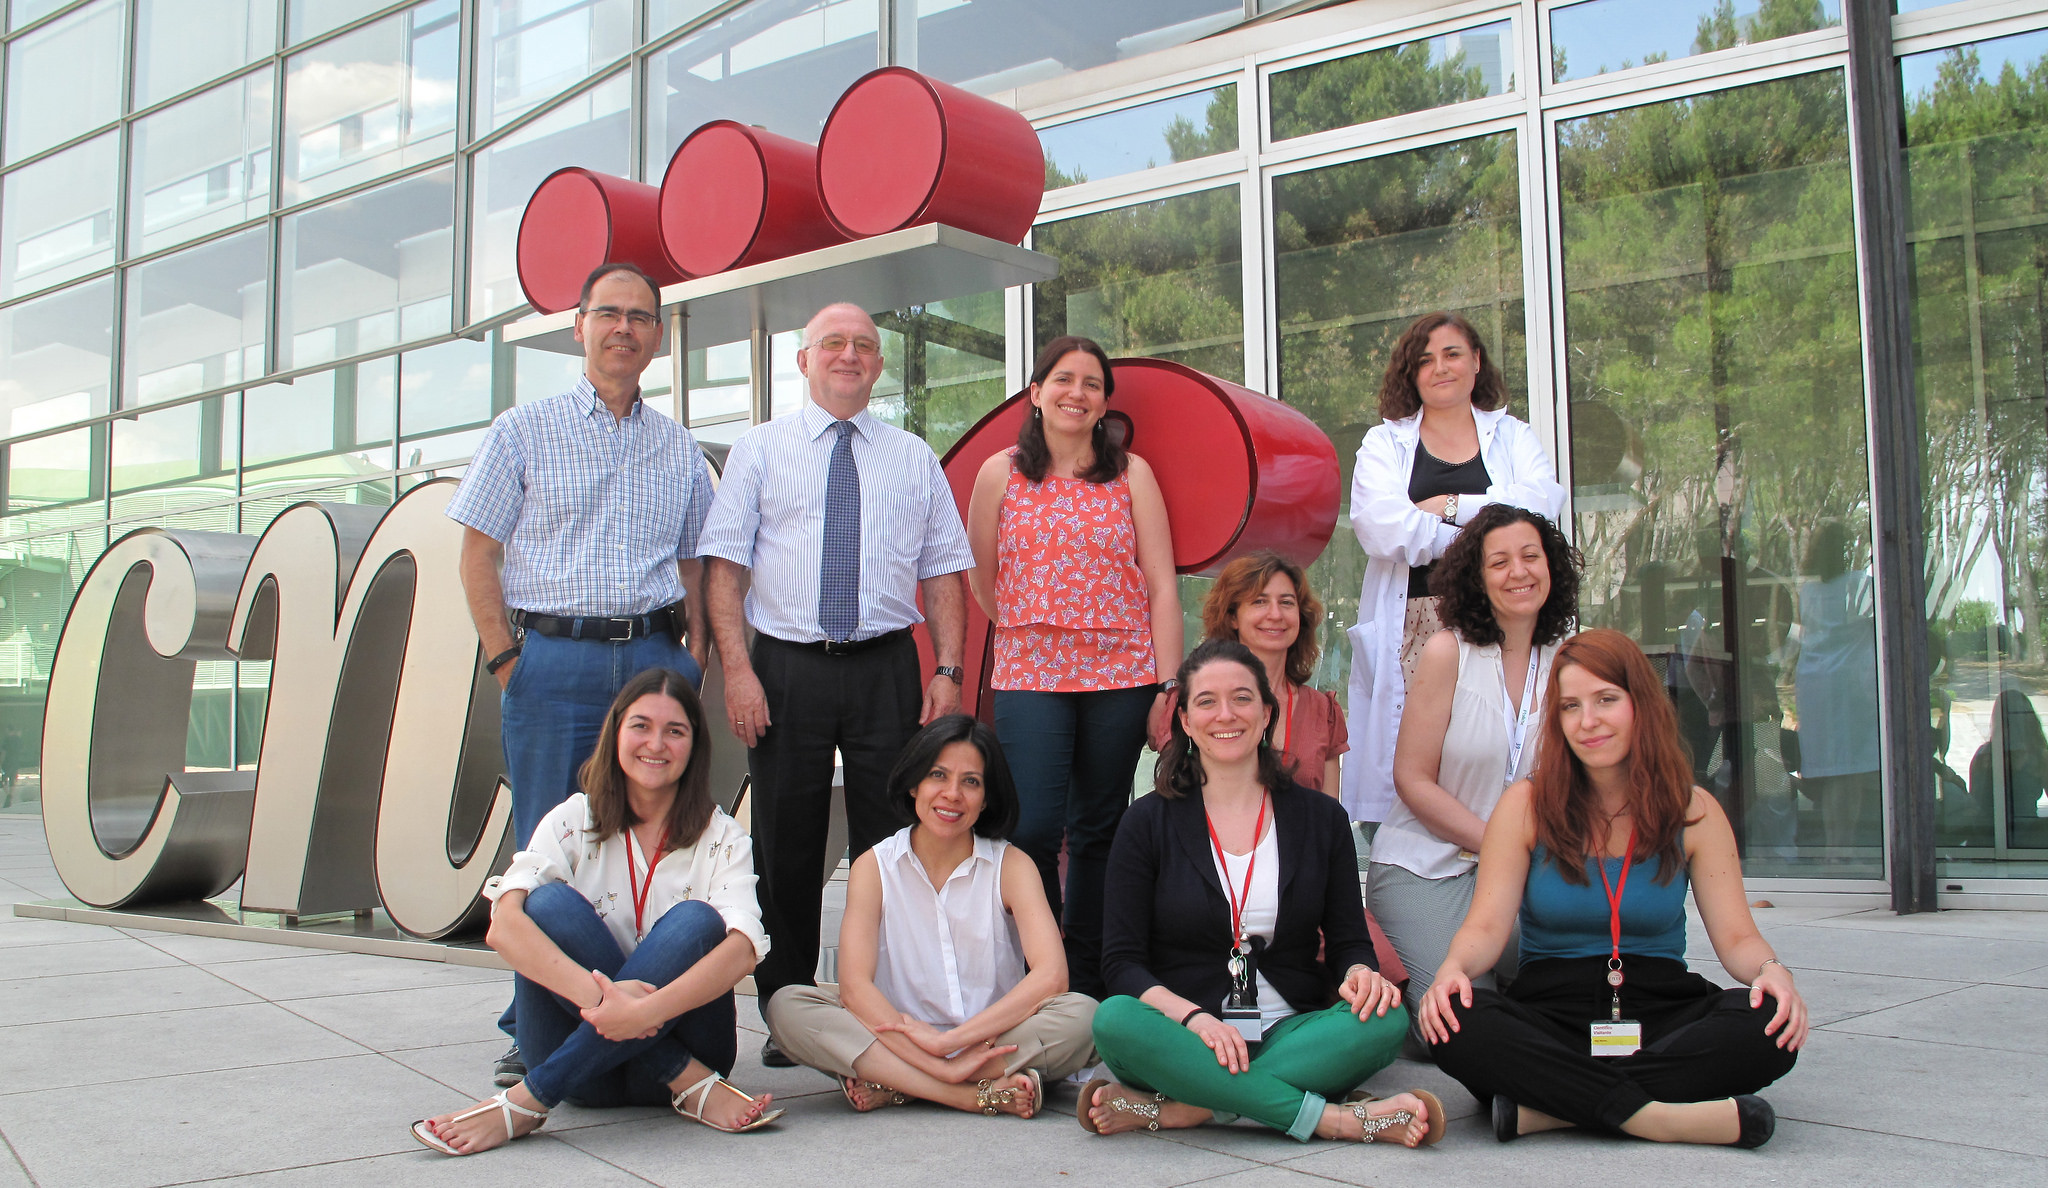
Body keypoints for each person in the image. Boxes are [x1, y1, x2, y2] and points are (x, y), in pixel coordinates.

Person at [446, 261, 716, 1086]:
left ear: (659, 337)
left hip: (651, 659)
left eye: (640, 317)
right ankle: (531, 1025)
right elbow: (478, 553)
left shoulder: (679, 448)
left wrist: (694, 656)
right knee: (545, 846)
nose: (623, 329)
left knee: (648, 839)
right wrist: (507, 661)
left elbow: (695, 562)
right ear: (579, 325)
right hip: (551, 661)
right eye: (609, 313)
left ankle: (635, 995)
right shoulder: (522, 430)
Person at [699, 302, 975, 1066]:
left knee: (894, 839)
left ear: (878, 365)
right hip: (786, 667)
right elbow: (726, 569)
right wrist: (738, 671)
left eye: (863, 346)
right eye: (833, 344)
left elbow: (944, 569)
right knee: (784, 843)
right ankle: (791, 1011)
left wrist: (946, 671)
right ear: (804, 360)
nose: (848, 356)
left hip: (888, 663)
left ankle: (881, 999)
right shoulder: (759, 451)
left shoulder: (912, 456)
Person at [1420, 629, 1806, 1148]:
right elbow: (1486, 926)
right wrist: (1452, 969)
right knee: (1458, 1021)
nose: (1589, 722)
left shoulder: (1694, 812)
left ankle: (1552, 1110)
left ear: (1640, 705)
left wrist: (1772, 972)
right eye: (1571, 707)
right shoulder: (1526, 806)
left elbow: (1737, 939)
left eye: (1606, 700)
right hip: (1552, 1010)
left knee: (1767, 1024)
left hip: (1660, 1007)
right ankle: (1662, 1116)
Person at [1084, 638, 1443, 1147]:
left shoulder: (1322, 819)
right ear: (1184, 720)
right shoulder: (1146, 822)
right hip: (1184, 1035)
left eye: (1242, 698)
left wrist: (1362, 973)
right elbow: (1121, 963)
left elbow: (1347, 940)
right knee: (1114, 1018)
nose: (1224, 714)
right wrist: (1195, 1019)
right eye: (1206, 701)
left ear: (1267, 712)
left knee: (1384, 1018)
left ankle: (1195, 1106)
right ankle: (1334, 1119)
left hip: (1292, 1030)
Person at [412, 669, 777, 1155]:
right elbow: (505, 927)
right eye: (641, 726)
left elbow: (742, 953)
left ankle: (526, 1102)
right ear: (616, 734)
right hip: (593, 1075)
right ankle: (687, 1082)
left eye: (675, 730)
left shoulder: (722, 836)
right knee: (546, 904)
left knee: (698, 921)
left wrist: (645, 1012)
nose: (657, 743)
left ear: (695, 746)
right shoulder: (571, 821)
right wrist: (609, 1008)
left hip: (685, 1051)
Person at [965, 335, 1181, 998]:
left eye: (1091, 383)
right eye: (1063, 379)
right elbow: (981, 571)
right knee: (1030, 824)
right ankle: (1038, 968)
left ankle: (1089, 976)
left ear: (1104, 403)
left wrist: (1168, 683)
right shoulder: (1000, 472)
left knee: (1099, 826)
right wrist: (1034, 620)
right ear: (1035, 393)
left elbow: (1163, 585)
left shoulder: (1130, 474)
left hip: (1121, 674)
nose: (1076, 393)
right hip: (1032, 673)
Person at [765, 715, 1099, 1116]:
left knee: (1085, 1016)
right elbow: (855, 986)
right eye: (938, 775)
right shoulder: (875, 866)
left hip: (994, 1039)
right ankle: (964, 1092)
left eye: (971, 781)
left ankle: (898, 1085)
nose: (952, 794)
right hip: (900, 1037)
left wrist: (951, 1044)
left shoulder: (1012, 865)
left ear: (987, 797)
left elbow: (1051, 976)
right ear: (913, 783)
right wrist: (935, 1060)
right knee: (787, 1006)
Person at [1343, 312, 1564, 828]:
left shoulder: (1512, 435)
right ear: (1410, 374)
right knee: (1422, 752)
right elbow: (1382, 528)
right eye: (1424, 360)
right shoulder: (1385, 442)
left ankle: (1507, 844)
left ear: (1477, 361)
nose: (1439, 368)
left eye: (1452, 354)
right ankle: (1423, 877)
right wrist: (1485, 533)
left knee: (1497, 742)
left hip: (1503, 615)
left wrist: (1445, 507)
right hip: (1415, 619)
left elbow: (1541, 505)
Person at [1373, 505, 1580, 1042]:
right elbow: (1412, 779)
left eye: (1531, 557)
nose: (1519, 573)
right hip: (1430, 867)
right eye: (1500, 562)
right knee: (1449, 1024)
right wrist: (1501, 844)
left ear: (1551, 568)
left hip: (1532, 870)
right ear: (1476, 578)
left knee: (1584, 995)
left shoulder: (1571, 662)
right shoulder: (1448, 652)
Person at [1199, 551, 1344, 795]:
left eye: (1286, 602)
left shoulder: (1323, 712)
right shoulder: (1194, 703)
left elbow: (1330, 819)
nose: (1275, 614)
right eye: (1259, 601)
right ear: (1233, 616)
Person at [1793, 521, 1881, 864]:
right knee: (1850, 771)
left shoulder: (1808, 591)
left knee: (1831, 770)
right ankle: (1843, 848)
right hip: (1849, 686)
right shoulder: (1861, 585)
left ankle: (1834, 846)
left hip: (1814, 684)